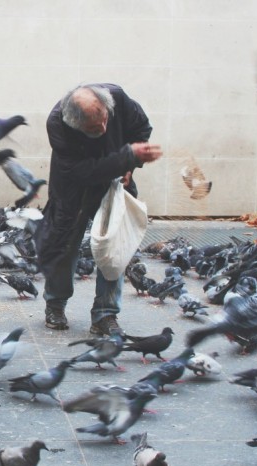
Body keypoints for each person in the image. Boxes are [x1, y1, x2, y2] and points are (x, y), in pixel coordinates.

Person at [36, 84, 163, 336]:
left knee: (115, 247)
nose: (104, 129)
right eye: (94, 128)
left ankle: (105, 314)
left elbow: (141, 128)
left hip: (115, 182)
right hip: (73, 187)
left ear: (107, 107)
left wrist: (131, 165)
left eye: (105, 120)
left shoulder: (117, 98)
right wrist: (127, 157)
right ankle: (55, 303)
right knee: (64, 245)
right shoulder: (58, 124)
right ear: (75, 124)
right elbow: (83, 172)